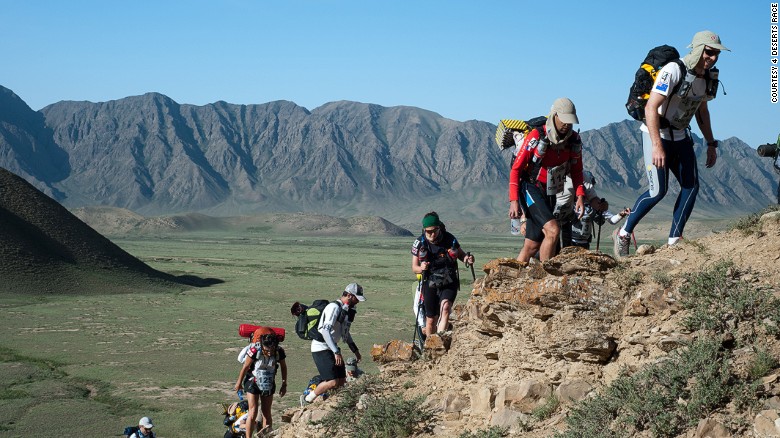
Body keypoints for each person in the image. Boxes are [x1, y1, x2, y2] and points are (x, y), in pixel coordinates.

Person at [614, 30, 729, 257]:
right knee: (658, 191)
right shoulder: (673, 70)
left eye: (716, 54)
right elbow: (650, 108)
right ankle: (623, 234)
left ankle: (674, 240)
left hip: (681, 136)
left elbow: (702, 112)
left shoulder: (708, 78)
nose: (712, 58)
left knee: (691, 186)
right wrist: (657, 145)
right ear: (697, 49)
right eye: (709, 52)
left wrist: (711, 143)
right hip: (656, 134)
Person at [508, 98, 587, 262]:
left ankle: (511, 278)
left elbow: (577, 170)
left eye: (570, 122)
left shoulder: (574, 141)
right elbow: (516, 168)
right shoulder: (538, 135)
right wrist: (514, 200)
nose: (567, 125)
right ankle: (546, 275)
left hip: (550, 191)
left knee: (531, 245)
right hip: (530, 188)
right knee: (553, 230)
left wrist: (580, 196)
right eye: (564, 120)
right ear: (555, 116)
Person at [411, 212, 475, 336]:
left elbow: (461, 255)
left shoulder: (449, 239)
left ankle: (439, 341)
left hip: (449, 280)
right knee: (431, 320)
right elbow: (414, 267)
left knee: (445, 308)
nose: (432, 234)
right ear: (424, 229)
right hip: (429, 281)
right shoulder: (419, 243)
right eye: (429, 231)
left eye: (434, 230)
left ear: (439, 228)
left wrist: (467, 259)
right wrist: (421, 268)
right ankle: (430, 347)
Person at [303, 283, 364, 404]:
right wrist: (336, 352)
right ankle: (308, 399)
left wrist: (356, 351)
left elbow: (345, 333)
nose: (357, 302)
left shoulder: (345, 310)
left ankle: (335, 403)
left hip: (332, 348)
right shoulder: (334, 307)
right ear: (350, 296)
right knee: (332, 381)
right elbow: (325, 331)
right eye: (356, 298)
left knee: (341, 381)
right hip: (321, 348)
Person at [233, 327, 288, 437]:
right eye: (267, 350)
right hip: (252, 381)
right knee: (252, 412)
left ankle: (266, 435)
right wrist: (238, 383)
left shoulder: (279, 351)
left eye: (271, 350)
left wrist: (284, 384)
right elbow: (245, 367)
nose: (269, 352)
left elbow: (283, 367)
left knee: (266, 412)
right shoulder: (255, 350)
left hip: (269, 383)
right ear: (262, 345)